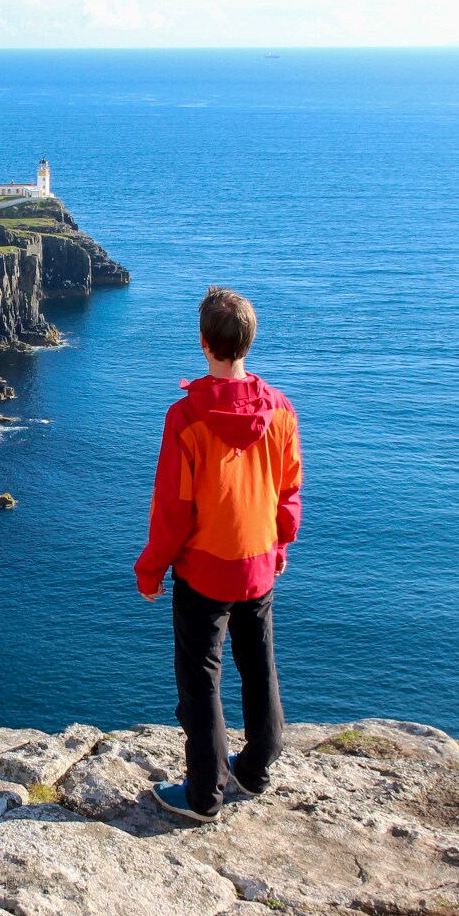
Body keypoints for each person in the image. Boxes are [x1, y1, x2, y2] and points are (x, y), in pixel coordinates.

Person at [134, 287, 302, 822]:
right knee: (259, 665)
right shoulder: (280, 410)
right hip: (258, 562)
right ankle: (255, 767)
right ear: (248, 341)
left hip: (205, 568)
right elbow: (288, 489)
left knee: (201, 682)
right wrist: (281, 543)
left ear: (204, 342)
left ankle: (204, 794)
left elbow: (173, 509)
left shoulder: (186, 418)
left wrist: (151, 569)